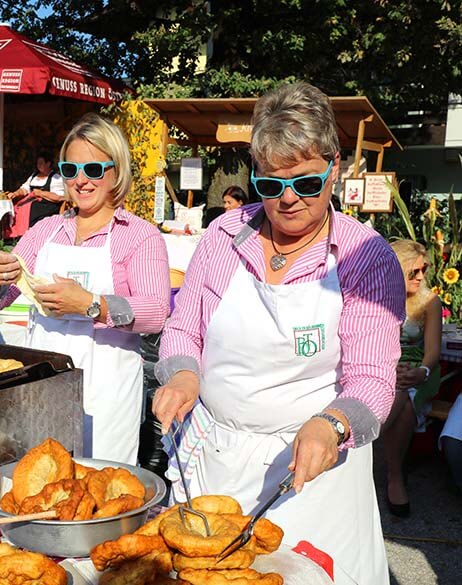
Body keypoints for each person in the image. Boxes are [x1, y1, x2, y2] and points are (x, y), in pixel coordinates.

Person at [151, 82, 404, 584]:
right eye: (270, 185)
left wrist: (333, 425)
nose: (287, 200)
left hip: (311, 468)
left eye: (306, 183)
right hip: (214, 457)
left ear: (335, 167)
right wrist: (182, 375)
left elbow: (372, 378)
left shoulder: (364, 256)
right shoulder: (224, 237)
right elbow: (184, 328)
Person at [0, 113, 170, 464]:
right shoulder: (45, 230)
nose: (81, 181)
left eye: (94, 170)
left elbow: (156, 312)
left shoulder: (138, 235)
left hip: (105, 392)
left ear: (116, 172)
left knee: (102, 489)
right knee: (40, 479)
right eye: (70, 169)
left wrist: (92, 304)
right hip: (44, 386)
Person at [381, 239, 442, 517]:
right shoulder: (377, 296)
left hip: (421, 370)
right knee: (403, 399)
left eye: (423, 270)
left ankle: (365, 450)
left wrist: (420, 372)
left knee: (405, 390)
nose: (420, 277)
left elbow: (432, 353)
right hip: (385, 366)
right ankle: (395, 474)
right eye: (413, 271)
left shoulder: (429, 301)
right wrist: (391, 369)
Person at [6, 152, 65, 238]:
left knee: (33, 208)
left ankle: (32, 235)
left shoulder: (56, 178)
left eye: (41, 163)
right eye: (38, 163)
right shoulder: (34, 176)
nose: (38, 165)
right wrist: (15, 193)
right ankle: (17, 234)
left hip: (49, 205)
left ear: (48, 164)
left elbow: (59, 197)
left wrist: (41, 193)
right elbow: (25, 188)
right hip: (34, 201)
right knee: (16, 206)